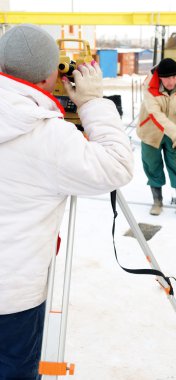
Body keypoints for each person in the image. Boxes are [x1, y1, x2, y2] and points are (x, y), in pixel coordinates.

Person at [0, 24, 133, 379]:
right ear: (50, 74)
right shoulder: (48, 136)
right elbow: (116, 166)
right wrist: (91, 103)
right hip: (11, 295)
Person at [137, 57, 176, 219]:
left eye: (173, 77)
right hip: (151, 129)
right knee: (152, 165)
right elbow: (155, 115)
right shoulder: (149, 86)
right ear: (159, 77)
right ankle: (157, 202)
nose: (171, 81)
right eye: (166, 78)